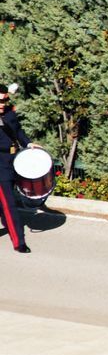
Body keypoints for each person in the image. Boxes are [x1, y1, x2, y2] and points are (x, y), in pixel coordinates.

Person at [0, 83, 35, 253]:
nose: (2, 104)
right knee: (9, 204)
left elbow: (18, 130)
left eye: (5, 100)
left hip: (12, 160)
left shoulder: (8, 114)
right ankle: (18, 241)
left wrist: (28, 143)